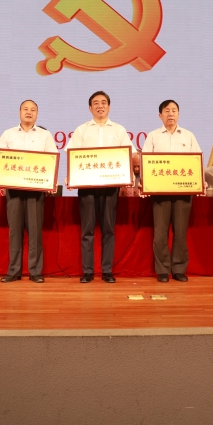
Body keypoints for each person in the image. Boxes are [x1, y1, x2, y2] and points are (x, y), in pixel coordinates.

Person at [65, 91, 134, 283]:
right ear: (90, 108)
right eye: (95, 103)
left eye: (104, 102)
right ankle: (88, 271)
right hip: (86, 187)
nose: (100, 106)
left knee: (108, 230)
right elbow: (72, 155)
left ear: (109, 107)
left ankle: (107, 270)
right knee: (87, 230)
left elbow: (130, 155)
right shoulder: (82, 130)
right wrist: (70, 177)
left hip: (110, 187)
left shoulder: (119, 130)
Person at [0, 100, 57, 283]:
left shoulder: (45, 135)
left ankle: (35, 271)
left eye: (33, 110)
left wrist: (52, 182)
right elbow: (0, 159)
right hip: (14, 189)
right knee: (15, 231)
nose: (29, 112)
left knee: (35, 232)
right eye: (25, 109)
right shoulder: (8, 134)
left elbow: (52, 159)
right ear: (19, 112)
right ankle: (14, 271)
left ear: (37, 114)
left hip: (36, 190)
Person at [142, 99, 202, 282]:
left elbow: (197, 162)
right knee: (160, 233)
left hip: (183, 191)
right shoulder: (153, 136)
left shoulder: (188, 136)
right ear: (160, 115)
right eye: (166, 111)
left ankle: (179, 268)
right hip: (160, 191)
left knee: (180, 232)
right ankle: (162, 269)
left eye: (174, 110)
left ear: (179, 114)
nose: (170, 114)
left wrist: (200, 182)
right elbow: (145, 162)